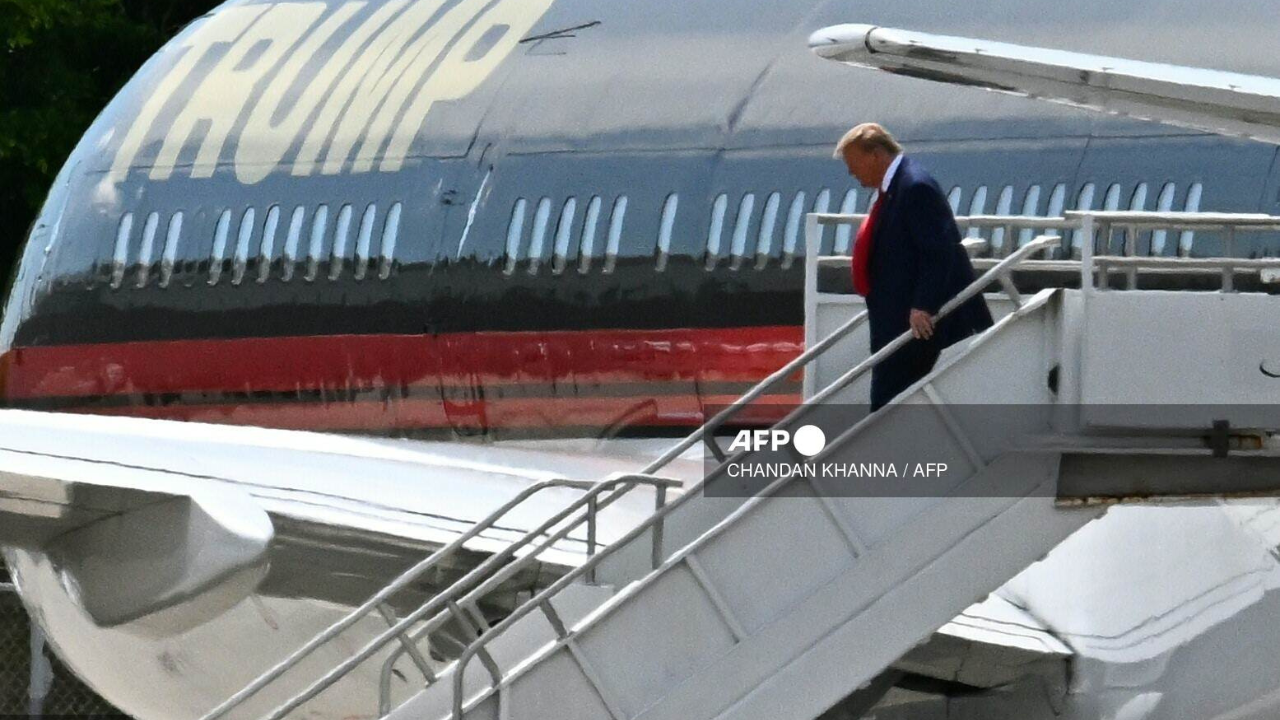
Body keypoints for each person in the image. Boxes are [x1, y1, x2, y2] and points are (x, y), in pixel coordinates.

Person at [835, 123, 993, 411]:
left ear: (875, 155)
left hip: (914, 331)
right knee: (889, 406)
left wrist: (923, 305)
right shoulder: (897, 188)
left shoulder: (915, 187)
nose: (851, 173)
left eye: (853, 163)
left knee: (889, 409)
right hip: (895, 326)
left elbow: (939, 251)